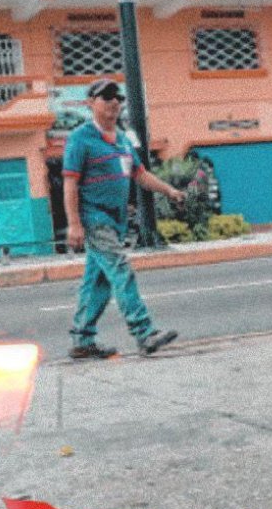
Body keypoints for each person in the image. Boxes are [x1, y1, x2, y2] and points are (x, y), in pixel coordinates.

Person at [63, 78, 185, 359]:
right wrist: (74, 224)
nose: (114, 102)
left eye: (118, 97)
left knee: (99, 282)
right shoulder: (80, 139)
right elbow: (70, 184)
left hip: (115, 219)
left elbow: (139, 174)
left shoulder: (122, 139)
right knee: (120, 268)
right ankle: (144, 333)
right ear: (90, 103)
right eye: (106, 97)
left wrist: (169, 190)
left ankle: (82, 339)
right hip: (94, 218)